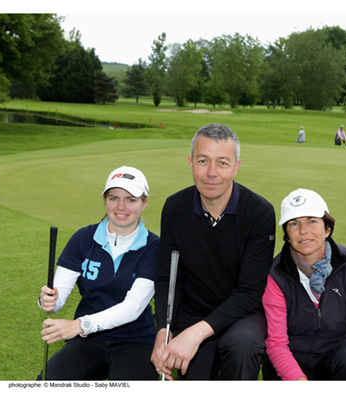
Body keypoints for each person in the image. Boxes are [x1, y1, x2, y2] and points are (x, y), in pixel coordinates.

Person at [151, 123, 276, 380]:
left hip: (241, 314)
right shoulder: (175, 207)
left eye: (222, 163)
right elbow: (168, 278)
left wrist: (196, 333)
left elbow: (250, 293)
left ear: (236, 166)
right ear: (190, 162)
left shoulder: (259, 212)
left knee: (243, 347)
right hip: (192, 310)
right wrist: (164, 331)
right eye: (202, 160)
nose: (211, 172)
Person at [38, 166, 159, 380]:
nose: (121, 207)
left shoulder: (154, 247)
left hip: (136, 340)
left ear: (144, 203)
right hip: (88, 339)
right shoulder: (83, 238)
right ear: (105, 200)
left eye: (131, 200)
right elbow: (57, 297)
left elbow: (133, 307)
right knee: (48, 382)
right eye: (114, 198)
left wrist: (80, 325)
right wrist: (48, 300)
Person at [262, 188, 346, 381]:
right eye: (294, 223)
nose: (303, 230)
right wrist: (299, 380)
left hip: (335, 354)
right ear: (287, 235)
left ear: (327, 228)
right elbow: (277, 343)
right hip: (290, 359)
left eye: (312, 221)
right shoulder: (275, 274)